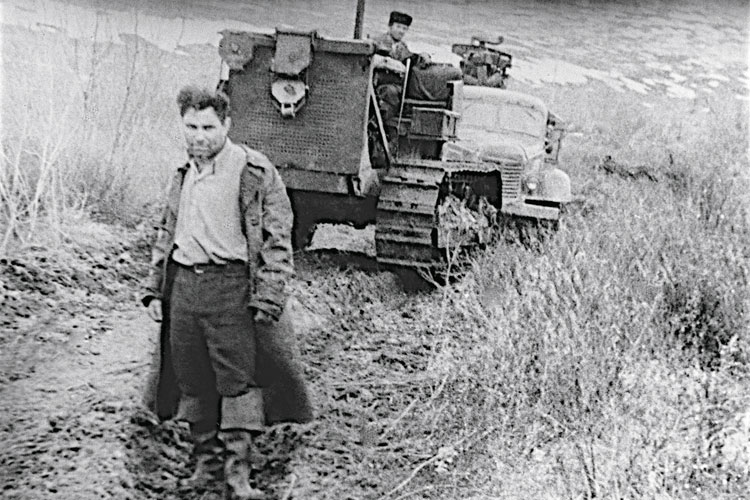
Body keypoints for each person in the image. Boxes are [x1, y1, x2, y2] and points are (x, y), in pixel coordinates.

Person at [142, 86, 313, 499]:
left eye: (208, 127)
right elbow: (167, 231)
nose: (199, 136)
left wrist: (269, 295)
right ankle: (205, 463)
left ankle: (238, 475)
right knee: (191, 377)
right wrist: (155, 287)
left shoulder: (253, 171)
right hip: (184, 287)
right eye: (191, 126)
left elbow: (276, 240)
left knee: (236, 380)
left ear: (226, 125)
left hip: (231, 288)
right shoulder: (182, 171)